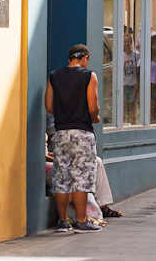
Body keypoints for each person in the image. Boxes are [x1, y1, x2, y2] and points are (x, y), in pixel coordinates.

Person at [45, 44, 102, 233]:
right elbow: (93, 107)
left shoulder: (54, 76)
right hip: (82, 132)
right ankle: (81, 220)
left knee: (62, 176)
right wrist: (95, 118)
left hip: (61, 133)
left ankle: (63, 221)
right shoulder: (89, 76)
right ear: (84, 58)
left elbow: (49, 105)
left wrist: (64, 115)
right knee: (82, 178)